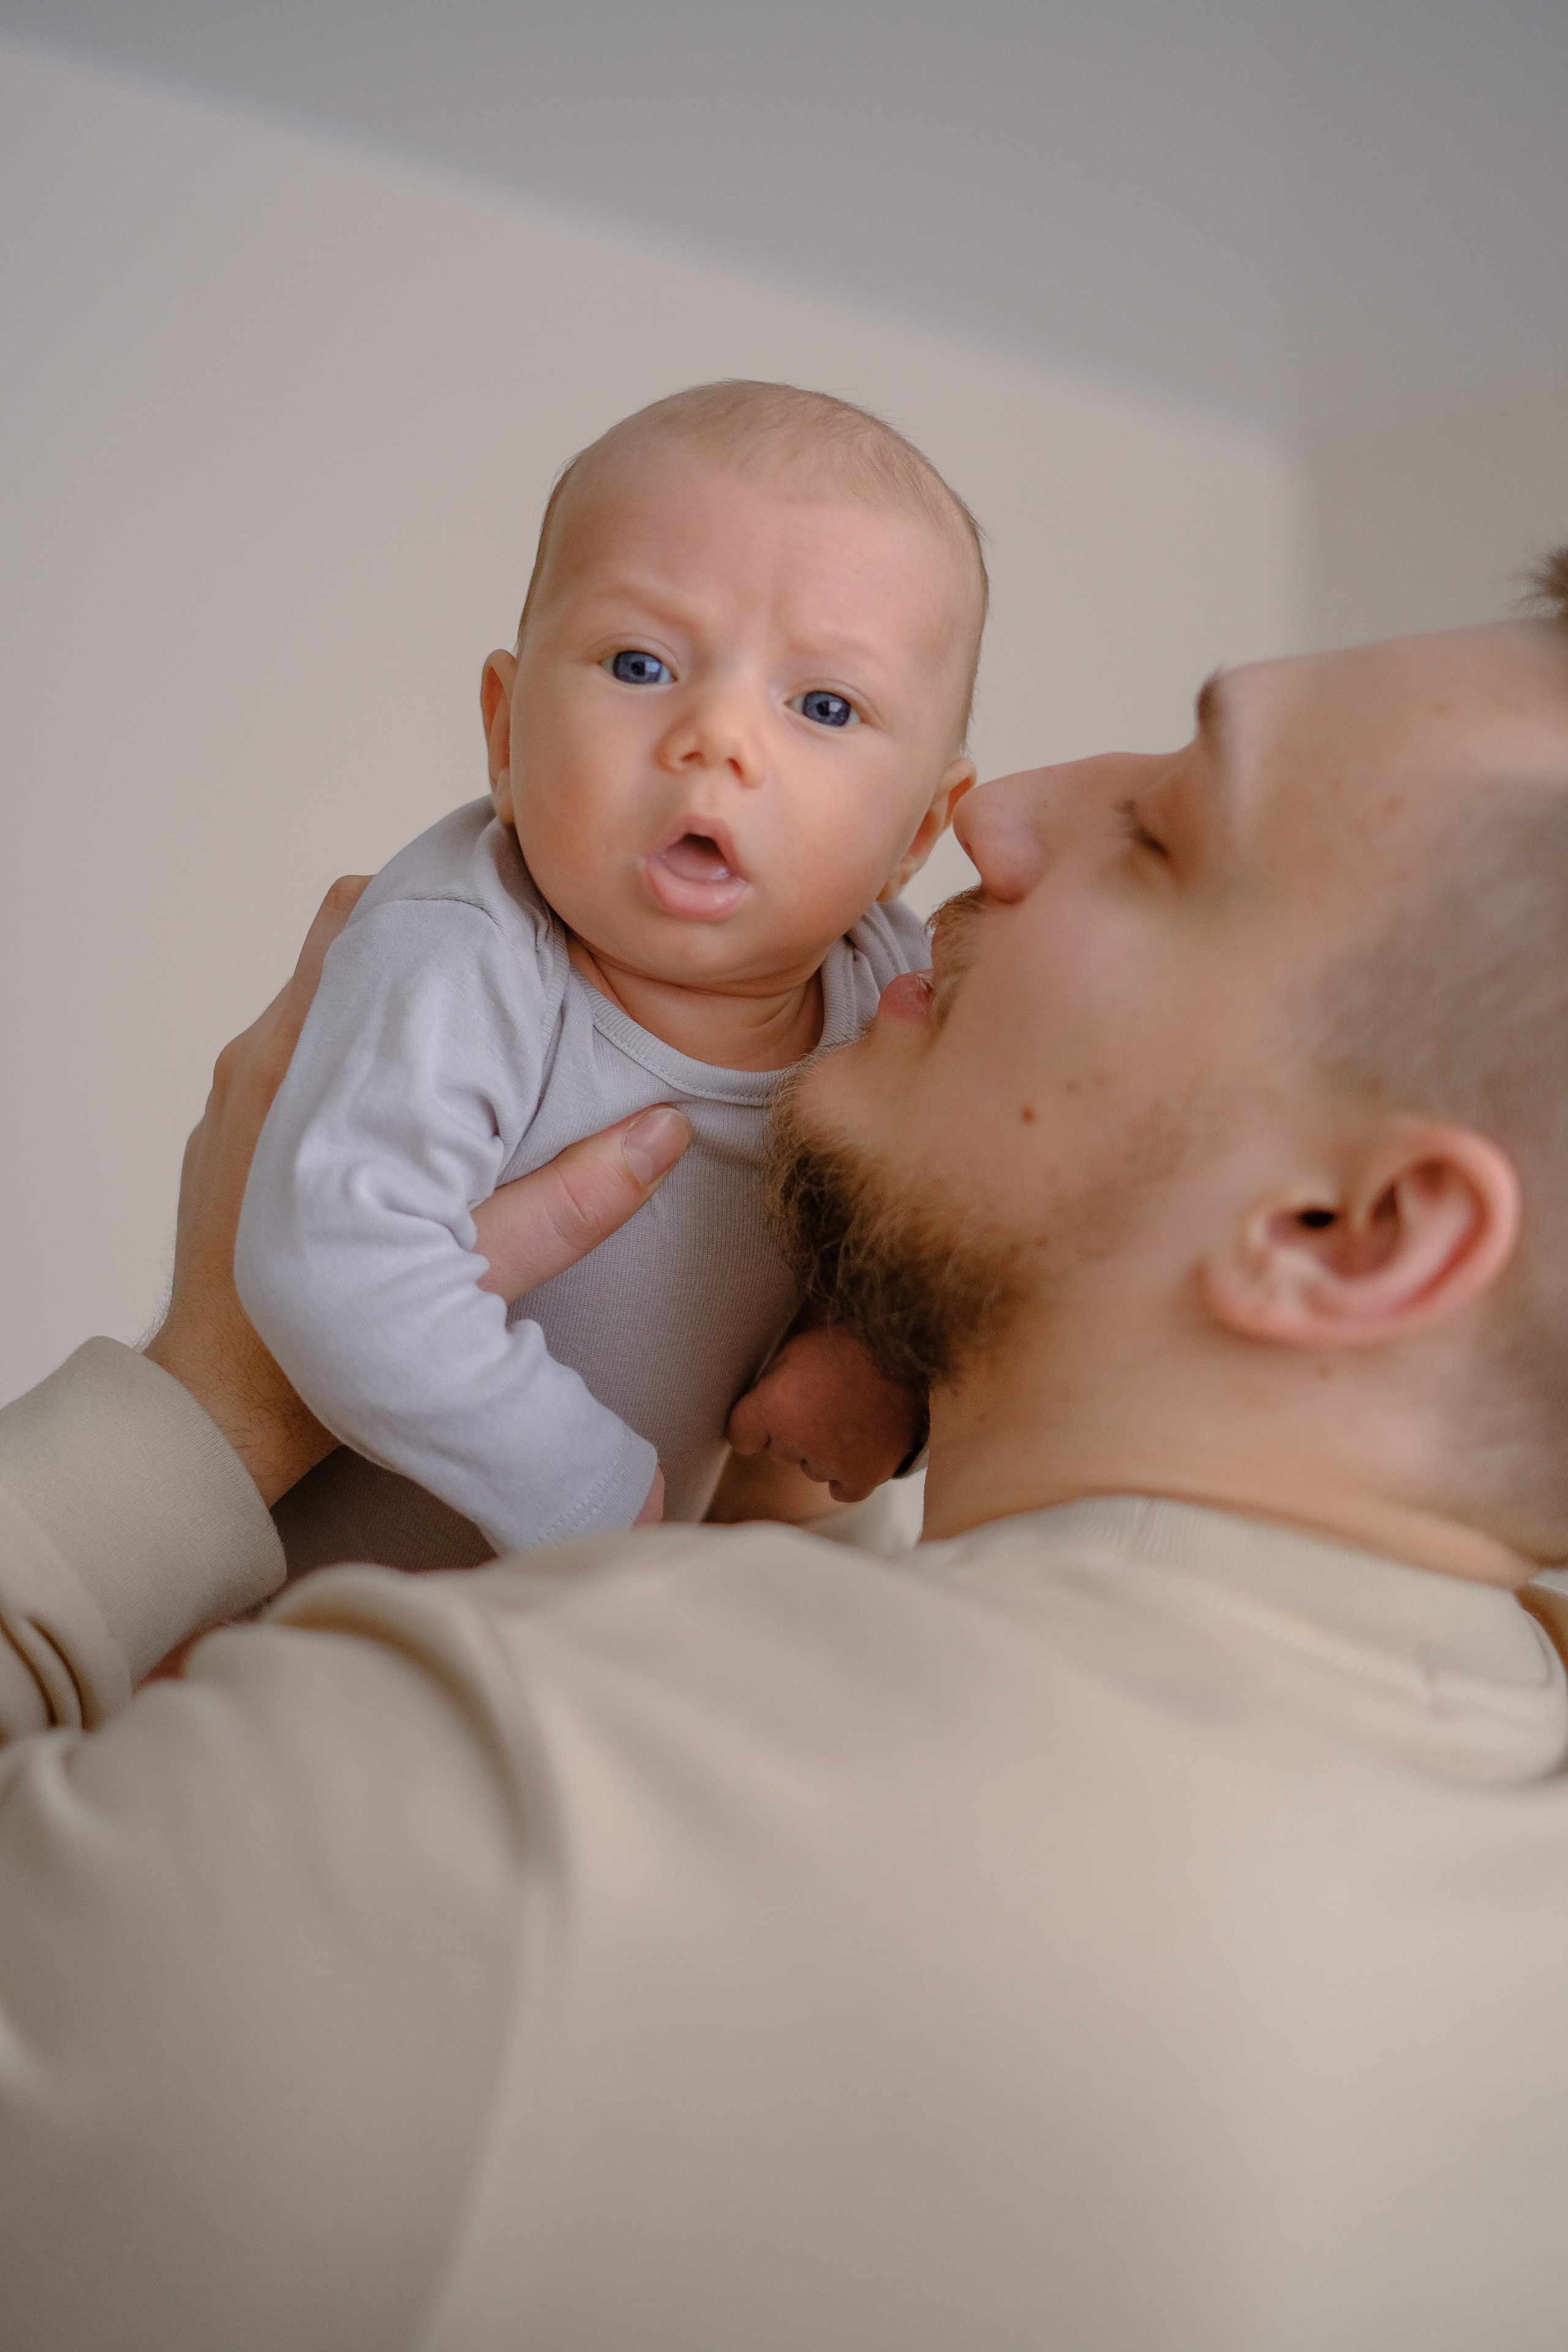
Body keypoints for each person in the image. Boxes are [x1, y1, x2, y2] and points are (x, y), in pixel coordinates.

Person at [5, 581, 1568, 2348]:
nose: (995, 808)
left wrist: (214, 1392)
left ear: (1347, 1231)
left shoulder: (536, 1811)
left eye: (1162, 831)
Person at [235, 381, 976, 1569]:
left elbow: (976, 1207)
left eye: (823, 705)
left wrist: (866, 1353)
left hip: (597, 1643)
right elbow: (335, 1261)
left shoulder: (889, 988)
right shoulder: (466, 947)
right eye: (638, 664)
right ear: (506, 735)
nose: (715, 736)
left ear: (917, 834)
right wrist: (589, 1489)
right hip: (311, 1611)